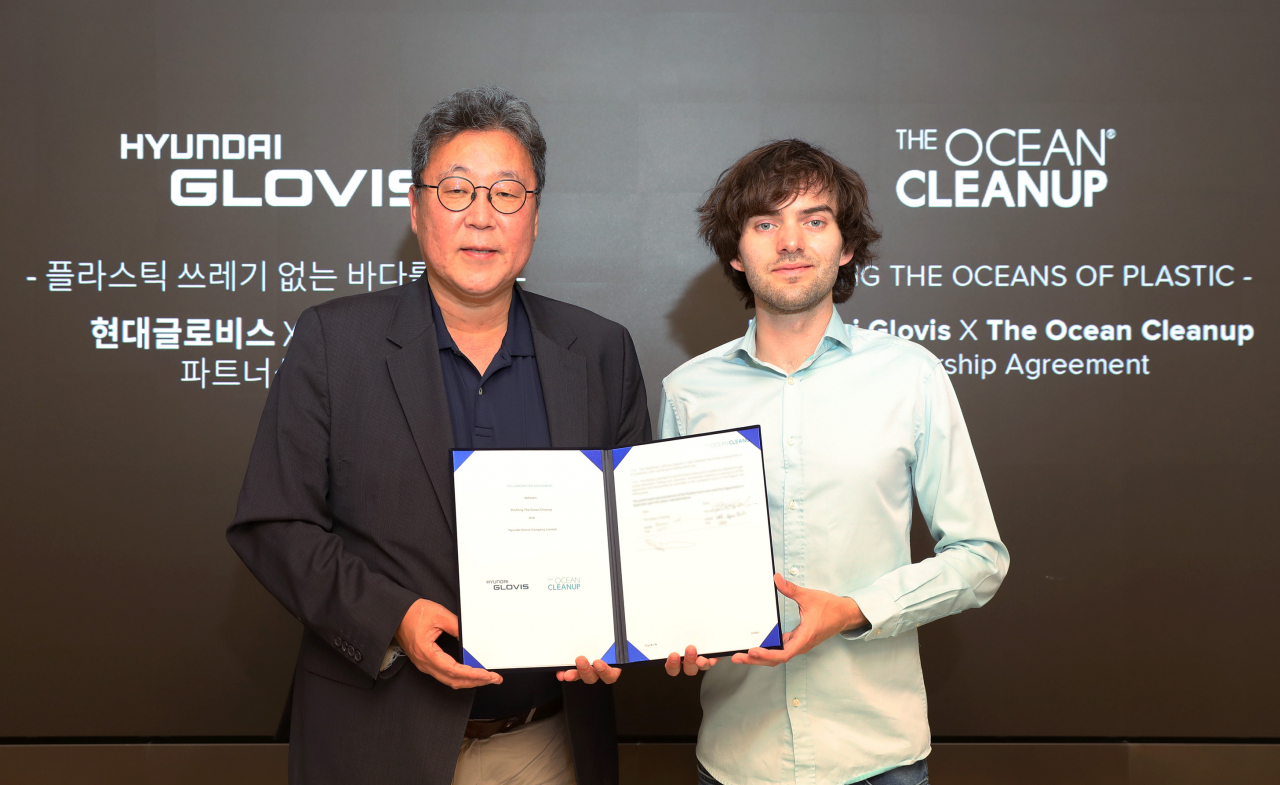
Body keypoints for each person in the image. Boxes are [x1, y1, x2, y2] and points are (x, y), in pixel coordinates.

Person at [228, 85, 650, 785]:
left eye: (507, 193)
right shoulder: (335, 342)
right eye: (457, 190)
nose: (481, 217)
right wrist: (393, 616)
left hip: (547, 741)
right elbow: (274, 524)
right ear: (417, 210)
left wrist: (621, 630)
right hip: (374, 735)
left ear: (535, 216)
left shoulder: (599, 350)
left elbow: (631, 540)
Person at [659, 139, 1010, 785]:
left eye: (814, 220)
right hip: (739, 758)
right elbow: (676, 567)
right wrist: (675, 631)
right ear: (736, 253)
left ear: (846, 246)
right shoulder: (687, 392)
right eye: (766, 223)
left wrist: (853, 609)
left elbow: (980, 558)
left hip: (878, 759)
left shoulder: (912, 375)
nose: (790, 241)